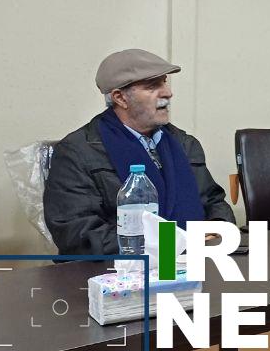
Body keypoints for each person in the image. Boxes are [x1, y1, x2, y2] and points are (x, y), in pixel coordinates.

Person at [44, 49, 234, 255]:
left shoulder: (184, 144)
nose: (168, 93)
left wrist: (218, 231)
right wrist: (172, 245)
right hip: (121, 269)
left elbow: (213, 202)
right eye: (152, 86)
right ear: (120, 98)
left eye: (164, 82)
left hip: (196, 260)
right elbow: (78, 234)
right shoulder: (77, 152)